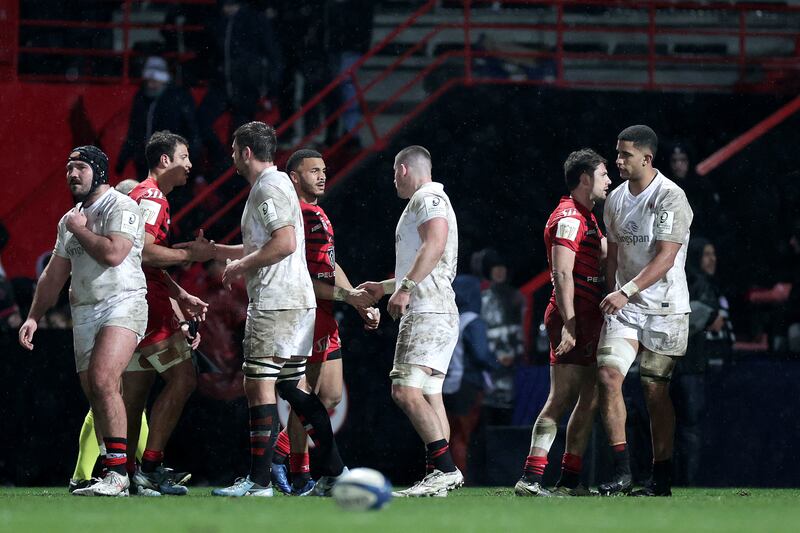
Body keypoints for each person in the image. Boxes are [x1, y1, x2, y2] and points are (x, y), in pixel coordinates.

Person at [209, 121, 347, 497]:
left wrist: (239, 266)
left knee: (258, 385)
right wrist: (221, 252)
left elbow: (284, 243)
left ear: (246, 152)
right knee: (292, 387)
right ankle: (336, 470)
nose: (233, 157)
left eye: (235, 150)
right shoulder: (282, 184)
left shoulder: (266, 188)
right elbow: (272, 241)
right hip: (298, 301)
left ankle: (258, 482)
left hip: (275, 302)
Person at [19, 146, 148, 497]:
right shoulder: (69, 218)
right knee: (96, 392)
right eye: (69, 169)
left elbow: (113, 253)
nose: (72, 174)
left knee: (104, 379)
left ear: (99, 172)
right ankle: (114, 470)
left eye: (80, 168)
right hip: (86, 309)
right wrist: (33, 316)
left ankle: (120, 474)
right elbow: (54, 275)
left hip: (124, 301)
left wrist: (81, 230)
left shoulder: (122, 206)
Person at [269, 148, 379, 495]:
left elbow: (331, 265)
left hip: (327, 311)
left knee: (327, 397)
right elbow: (300, 275)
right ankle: (293, 467)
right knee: (308, 398)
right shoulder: (297, 216)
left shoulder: (318, 213)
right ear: (294, 177)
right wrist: (349, 297)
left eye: (324, 169)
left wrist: (356, 300)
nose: (322, 175)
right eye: (313, 170)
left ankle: (294, 465)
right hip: (306, 313)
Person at [359, 145, 462, 498]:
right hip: (439, 307)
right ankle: (439, 475)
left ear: (402, 170)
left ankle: (446, 469)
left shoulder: (428, 197)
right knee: (431, 394)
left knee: (403, 390)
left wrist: (404, 288)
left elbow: (435, 243)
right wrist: (385, 287)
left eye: (393, 174)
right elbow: (429, 259)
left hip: (427, 309)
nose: (393, 181)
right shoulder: (431, 199)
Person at [596, 125, 693, 497]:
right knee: (608, 376)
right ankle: (621, 472)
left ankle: (662, 476)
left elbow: (666, 257)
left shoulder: (670, 196)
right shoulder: (616, 199)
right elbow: (615, 255)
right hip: (625, 309)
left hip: (665, 308)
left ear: (647, 159)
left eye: (625, 155)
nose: (618, 161)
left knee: (654, 391)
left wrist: (625, 290)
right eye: (617, 154)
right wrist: (612, 293)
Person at [514, 148, 610, 497]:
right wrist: (570, 323)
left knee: (591, 396)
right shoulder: (569, 215)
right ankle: (531, 476)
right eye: (603, 175)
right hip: (573, 316)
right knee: (562, 397)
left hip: (589, 317)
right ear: (585, 179)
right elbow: (562, 272)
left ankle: (569, 480)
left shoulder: (588, 216)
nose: (609, 181)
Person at [124, 131, 215, 496]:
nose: (190, 165)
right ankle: (150, 466)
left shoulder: (137, 196)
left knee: (135, 392)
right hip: (148, 305)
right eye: (184, 156)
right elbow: (145, 253)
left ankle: (122, 469)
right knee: (184, 378)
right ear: (165, 160)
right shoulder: (154, 197)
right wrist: (192, 256)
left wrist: (180, 292)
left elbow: (136, 254)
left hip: (130, 302)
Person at [68, 179, 150, 494]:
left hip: (130, 307)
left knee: (109, 389)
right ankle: (131, 470)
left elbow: (134, 260)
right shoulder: (84, 218)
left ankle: (135, 469)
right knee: (105, 391)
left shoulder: (129, 213)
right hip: (109, 308)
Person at [672, 237, 732, 485]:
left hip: (685, 364)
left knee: (682, 427)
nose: (713, 259)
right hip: (688, 367)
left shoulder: (698, 282)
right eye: (707, 254)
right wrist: (709, 316)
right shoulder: (696, 282)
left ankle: (677, 478)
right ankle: (686, 481)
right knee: (690, 426)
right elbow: (690, 318)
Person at [442, 274, 497, 480]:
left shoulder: (448, 318)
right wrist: (495, 362)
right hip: (467, 384)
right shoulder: (473, 321)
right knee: (462, 437)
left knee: (444, 434)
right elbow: (481, 354)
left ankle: (442, 473)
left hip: (445, 384)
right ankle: (460, 477)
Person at [115, 57, 201, 180]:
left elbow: (191, 130)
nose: (150, 84)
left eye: (154, 80)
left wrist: (191, 158)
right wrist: (123, 159)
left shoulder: (178, 99)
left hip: (171, 162)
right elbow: (134, 131)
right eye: (149, 81)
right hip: (146, 162)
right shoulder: (141, 99)